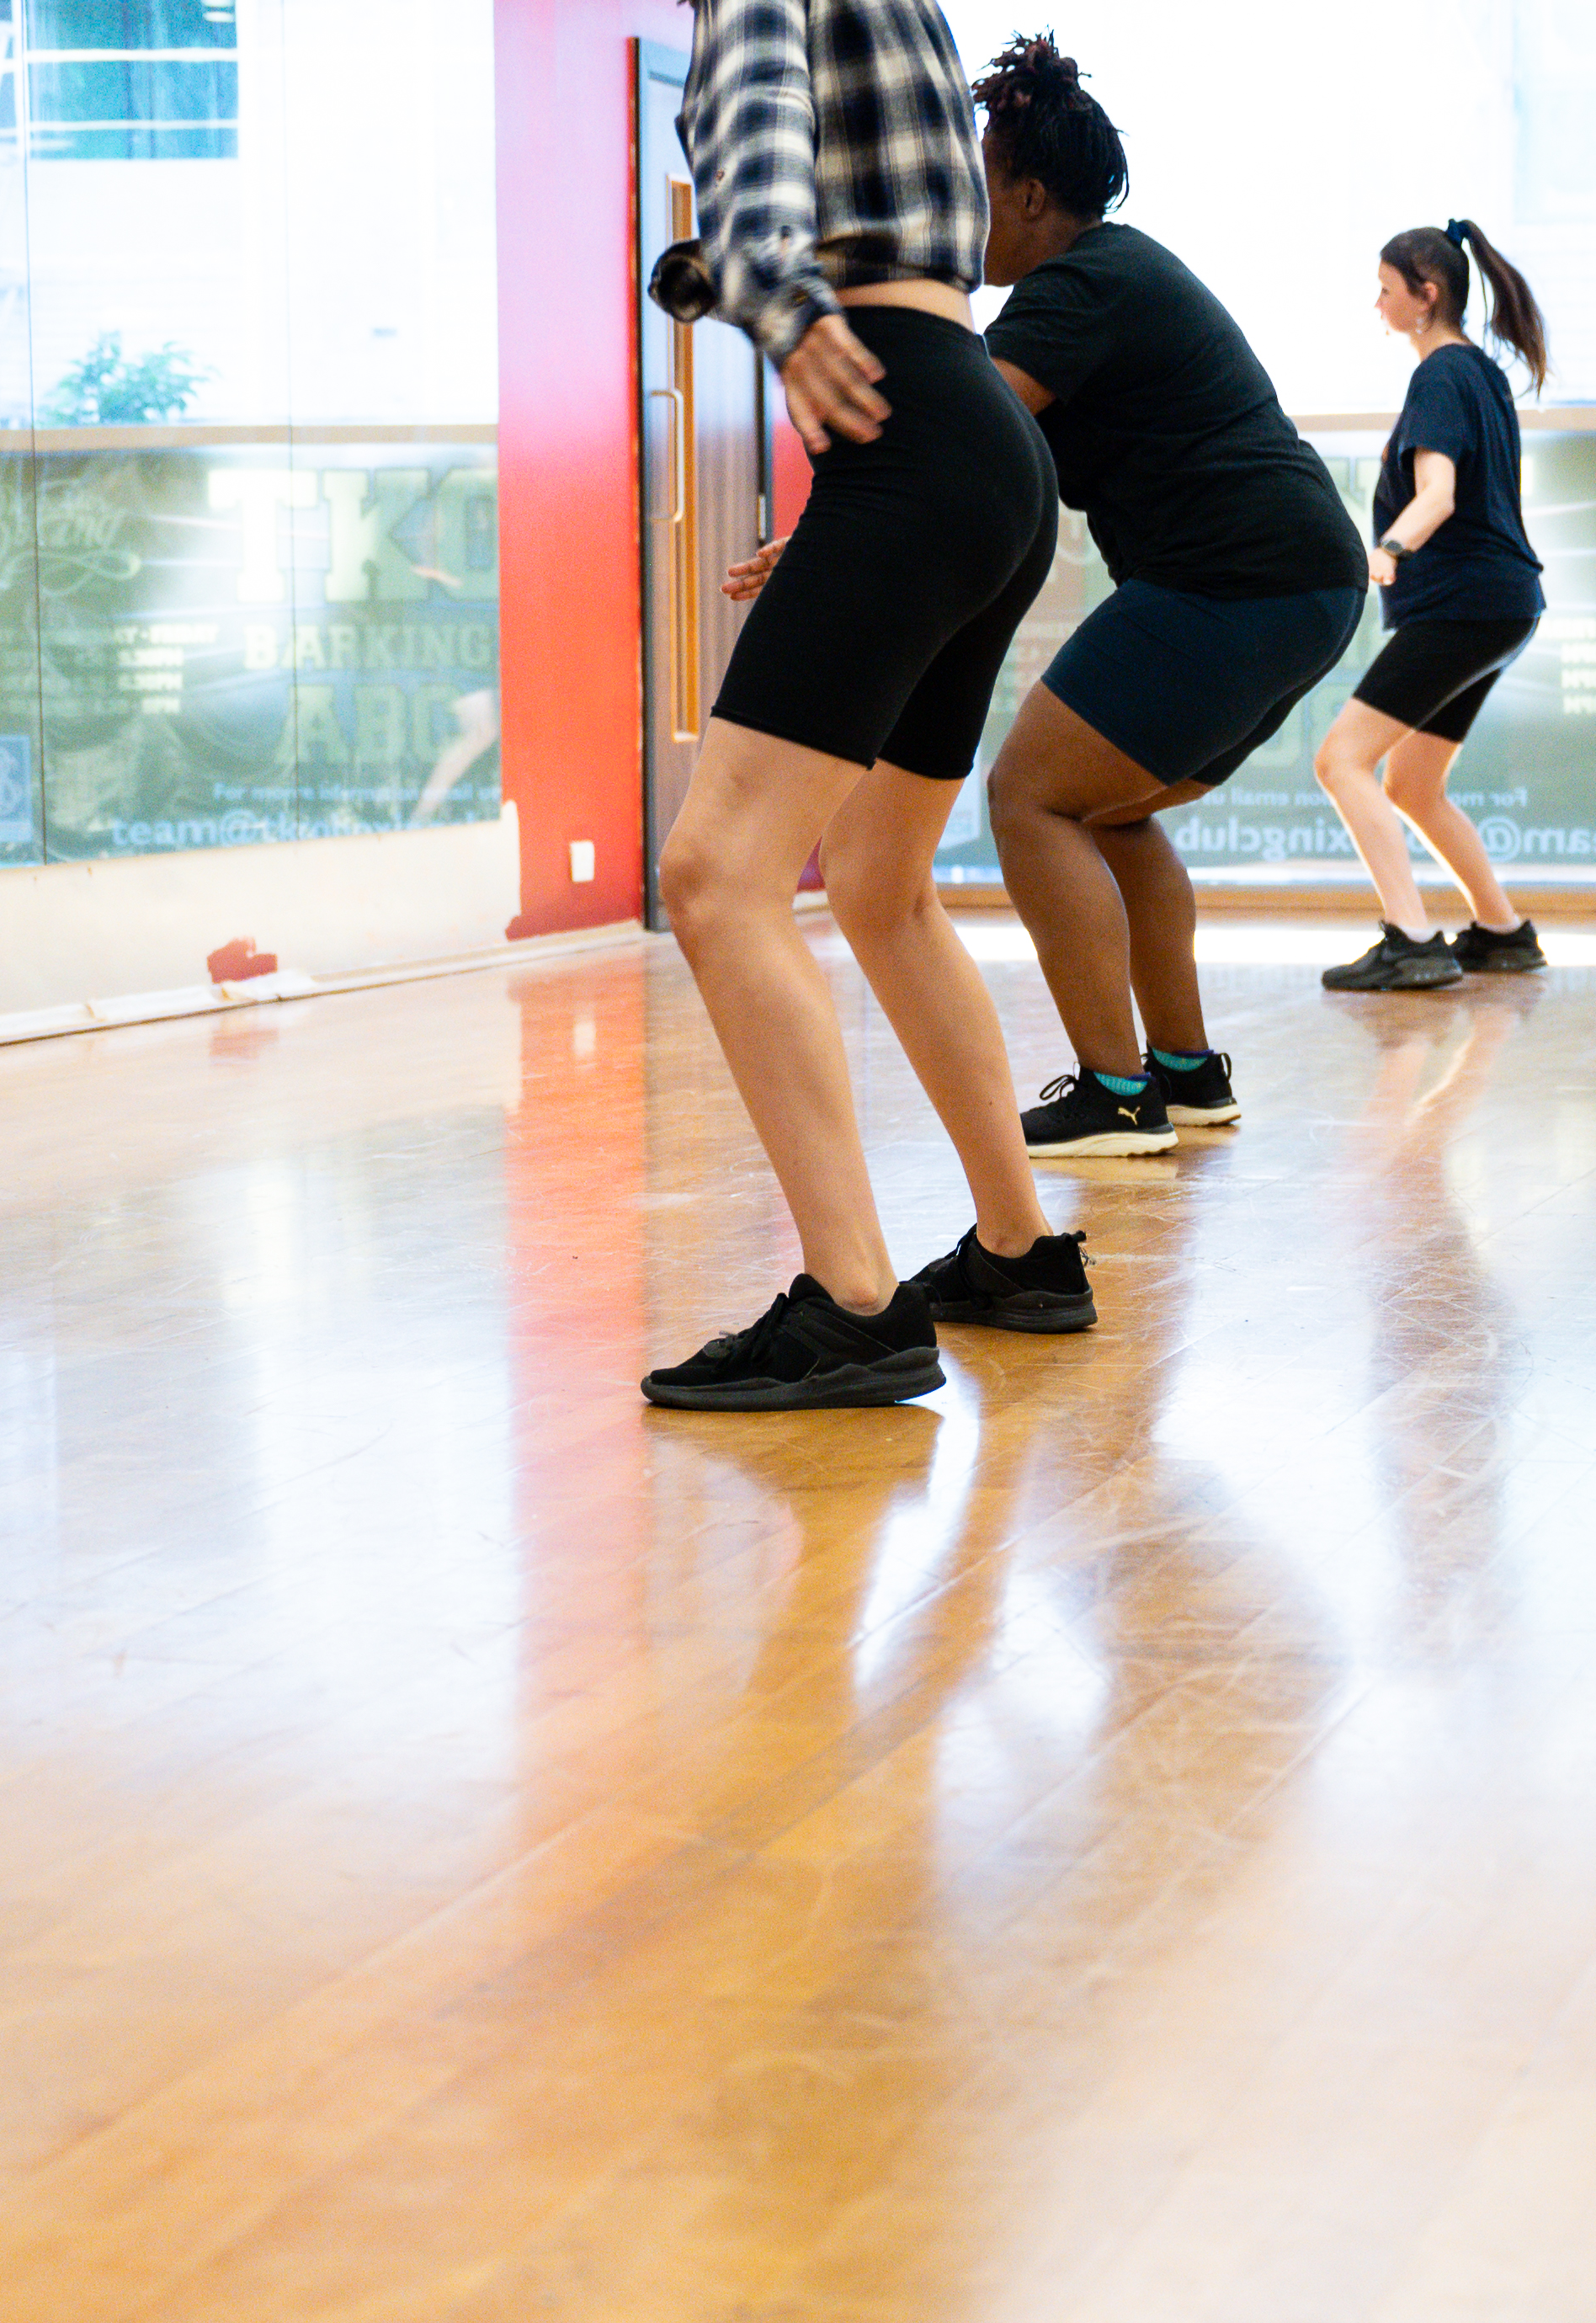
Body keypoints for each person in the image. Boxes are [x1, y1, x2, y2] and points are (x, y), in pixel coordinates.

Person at [642, 0, 1087, 1408]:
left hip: (905, 432)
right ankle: (1020, 1250)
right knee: (886, 886)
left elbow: (759, 133)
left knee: (716, 878)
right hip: (979, 435)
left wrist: (763, 283)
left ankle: (852, 1304)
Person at [955, 35, 1368, 1169]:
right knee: (1108, 808)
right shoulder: (1110, 276)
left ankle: (1113, 1093)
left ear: (1031, 195)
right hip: (1298, 580)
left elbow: (964, 436)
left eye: (977, 188)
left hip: (1233, 576)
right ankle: (1182, 1074)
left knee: (1029, 797)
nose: (961, 213)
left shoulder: (1078, 285)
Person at [1313, 221, 1552, 995]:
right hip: (1503, 604)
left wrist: (1387, 550)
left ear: (1428, 295)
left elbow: (1439, 496)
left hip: (1463, 604)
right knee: (1413, 785)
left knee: (1340, 759)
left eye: (1386, 288)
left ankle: (1411, 939)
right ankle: (1502, 931)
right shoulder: (1479, 372)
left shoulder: (1440, 377)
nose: (1375, 302)